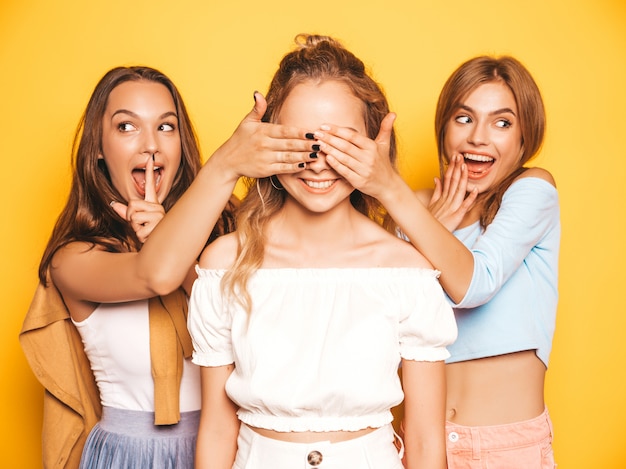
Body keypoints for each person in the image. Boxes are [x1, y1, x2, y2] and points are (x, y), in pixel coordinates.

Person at [19, 65, 318, 468]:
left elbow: (267, 334)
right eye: (127, 127)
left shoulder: (230, 242)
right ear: (98, 149)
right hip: (126, 456)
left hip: (229, 448)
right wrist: (226, 164)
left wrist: (174, 242)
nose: (150, 147)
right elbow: (155, 274)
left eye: (166, 127)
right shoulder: (73, 260)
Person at [187, 34, 457, 469]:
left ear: (375, 145)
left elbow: (426, 441)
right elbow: (217, 432)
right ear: (268, 141)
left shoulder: (407, 272)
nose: (318, 161)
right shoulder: (224, 265)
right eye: (301, 141)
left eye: (341, 144)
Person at [320, 55, 560, 468]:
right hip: (416, 443)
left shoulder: (531, 189)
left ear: (524, 137)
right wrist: (426, 222)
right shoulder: (413, 209)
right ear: (444, 127)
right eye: (464, 118)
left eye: (502, 123)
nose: (479, 138)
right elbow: (375, 316)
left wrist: (395, 196)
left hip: (505, 447)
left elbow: (475, 283)